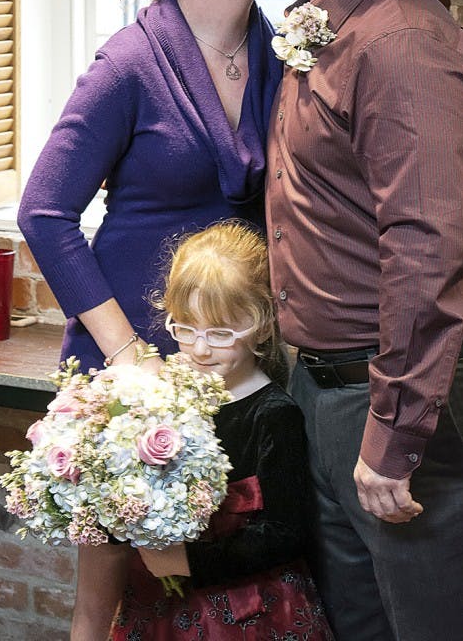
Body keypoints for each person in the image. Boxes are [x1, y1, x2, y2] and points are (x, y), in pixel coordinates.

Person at [17, 0, 282, 640]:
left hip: (239, 359)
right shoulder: (129, 64)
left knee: (231, 583)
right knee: (105, 608)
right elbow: (43, 213)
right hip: (134, 365)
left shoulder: (278, 51)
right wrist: (126, 356)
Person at [250, 0, 463, 641]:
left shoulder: (398, 42)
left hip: (386, 397)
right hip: (322, 391)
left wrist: (395, 431)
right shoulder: (326, 26)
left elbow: (430, 248)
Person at [111, 220, 333, 640]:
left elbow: (287, 534)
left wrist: (187, 561)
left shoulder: (274, 414)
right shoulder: (162, 397)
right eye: (185, 328)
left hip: (247, 609)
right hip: (157, 598)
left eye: (220, 332)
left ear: (264, 323)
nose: (198, 348)